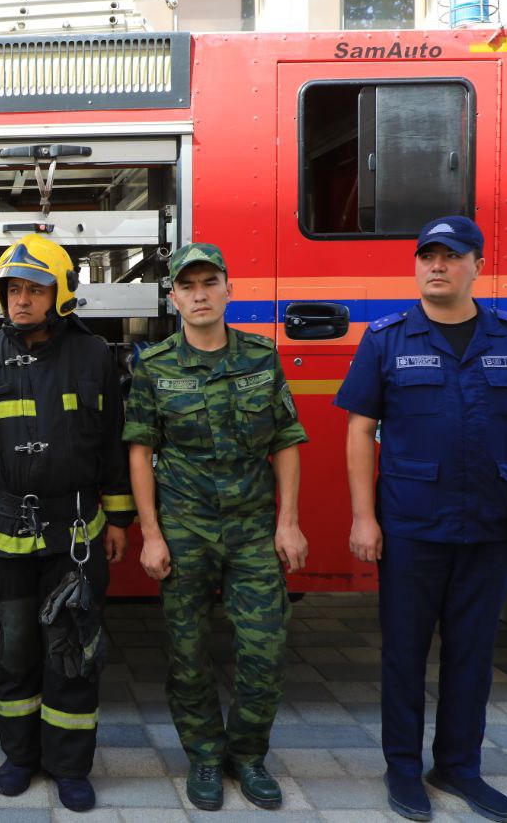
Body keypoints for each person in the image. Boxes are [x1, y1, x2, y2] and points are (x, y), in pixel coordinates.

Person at [335, 216, 507, 823]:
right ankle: (403, 768)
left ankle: (459, 766)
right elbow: (359, 430)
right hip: (411, 526)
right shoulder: (386, 339)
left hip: (490, 526)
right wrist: (363, 517)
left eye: (452, 256)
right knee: (404, 653)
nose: (437, 266)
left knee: (473, 651)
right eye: (427, 256)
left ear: (477, 266)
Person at [0, 234, 133, 813]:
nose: (21, 301)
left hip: (76, 533)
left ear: (61, 294)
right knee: (16, 650)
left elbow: (112, 442)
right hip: (3, 534)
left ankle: (70, 766)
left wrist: (118, 516)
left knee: (73, 651)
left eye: (35, 290)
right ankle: (20, 758)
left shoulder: (93, 355)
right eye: (12, 289)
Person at [125, 243, 308, 812]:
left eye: (210, 283)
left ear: (230, 289)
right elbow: (140, 451)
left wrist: (288, 523)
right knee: (187, 650)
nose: (199, 295)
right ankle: (204, 755)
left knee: (265, 648)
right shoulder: (155, 366)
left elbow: (286, 440)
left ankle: (248, 756)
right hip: (185, 529)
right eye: (188, 285)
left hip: (253, 529)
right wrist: (151, 534)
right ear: (173, 297)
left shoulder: (261, 357)